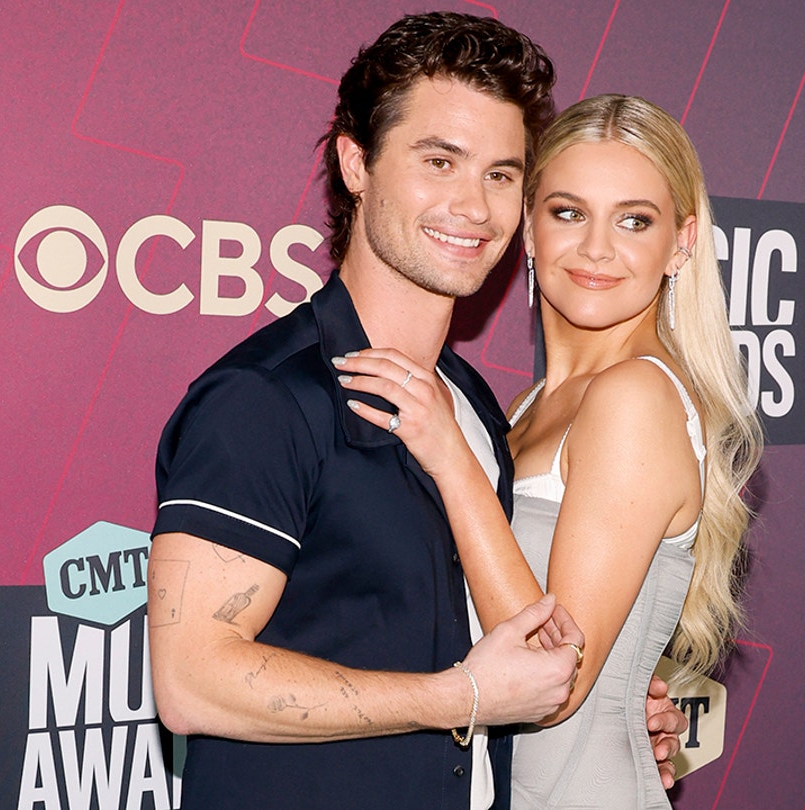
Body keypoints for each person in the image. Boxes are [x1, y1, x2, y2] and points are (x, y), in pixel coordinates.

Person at [147, 14, 685, 810]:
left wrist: (614, 712)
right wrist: (458, 699)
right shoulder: (265, 398)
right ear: (356, 164)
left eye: (501, 175)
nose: (473, 205)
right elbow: (191, 682)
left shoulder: (475, 408)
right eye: (440, 162)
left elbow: (501, 640)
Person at [336, 94, 763, 808]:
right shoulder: (526, 408)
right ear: (528, 226)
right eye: (568, 213)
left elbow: (554, 679)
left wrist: (452, 457)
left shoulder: (635, 397)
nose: (596, 248)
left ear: (682, 242)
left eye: (634, 220)